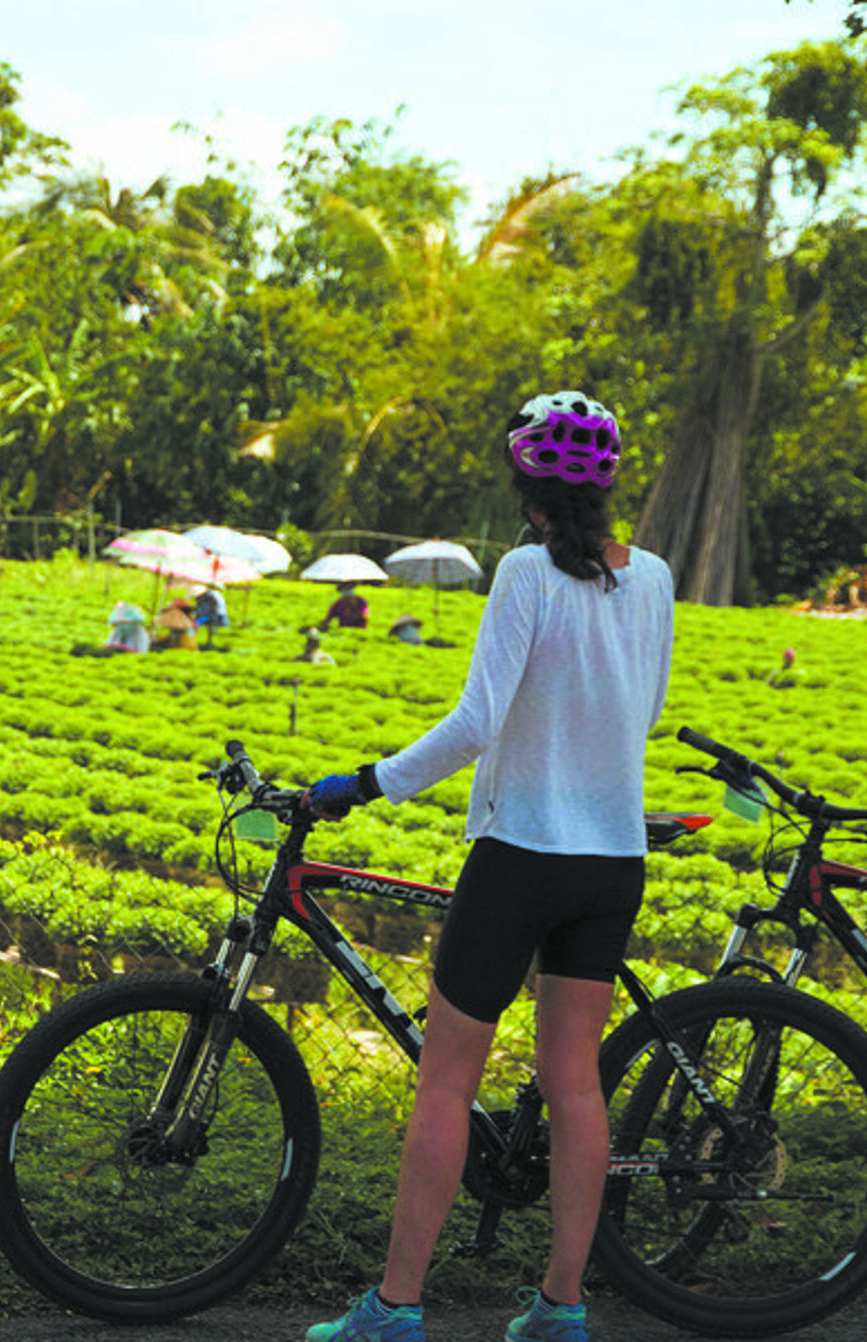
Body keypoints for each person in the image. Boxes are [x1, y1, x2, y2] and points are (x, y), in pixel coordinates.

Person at [301, 390, 674, 1342]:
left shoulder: (524, 575)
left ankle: (395, 1307)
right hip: (612, 862)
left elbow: (475, 724)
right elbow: (644, 712)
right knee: (576, 1085)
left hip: (520, 857)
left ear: (526, 483)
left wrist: (363, 783)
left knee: (446, 1082)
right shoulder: (657, 579)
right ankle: (561, 1306)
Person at [193, 583, 230, 649]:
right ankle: (210, 642)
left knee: (210, 628)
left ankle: (210, 643)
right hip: (217, 613)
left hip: (213, 614)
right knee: (212, 628)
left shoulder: (211, 595)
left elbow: (212, 605)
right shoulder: (216, 594)